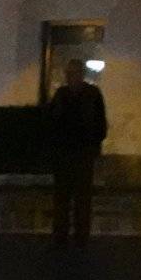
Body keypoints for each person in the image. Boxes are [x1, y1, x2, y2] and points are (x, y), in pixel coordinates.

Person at [44, 56, 108, 248]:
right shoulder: (61, 95)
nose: (71, 77)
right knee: (62, 197)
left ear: (81, 74)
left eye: (74, 73)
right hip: (64, 154)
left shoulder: (92, 94)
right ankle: (61, 235)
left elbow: (100, 124)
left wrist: (92, 144)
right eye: (69, 73)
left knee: (81, 197)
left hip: (82, 153)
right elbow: (52, 122)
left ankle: (80, 236)